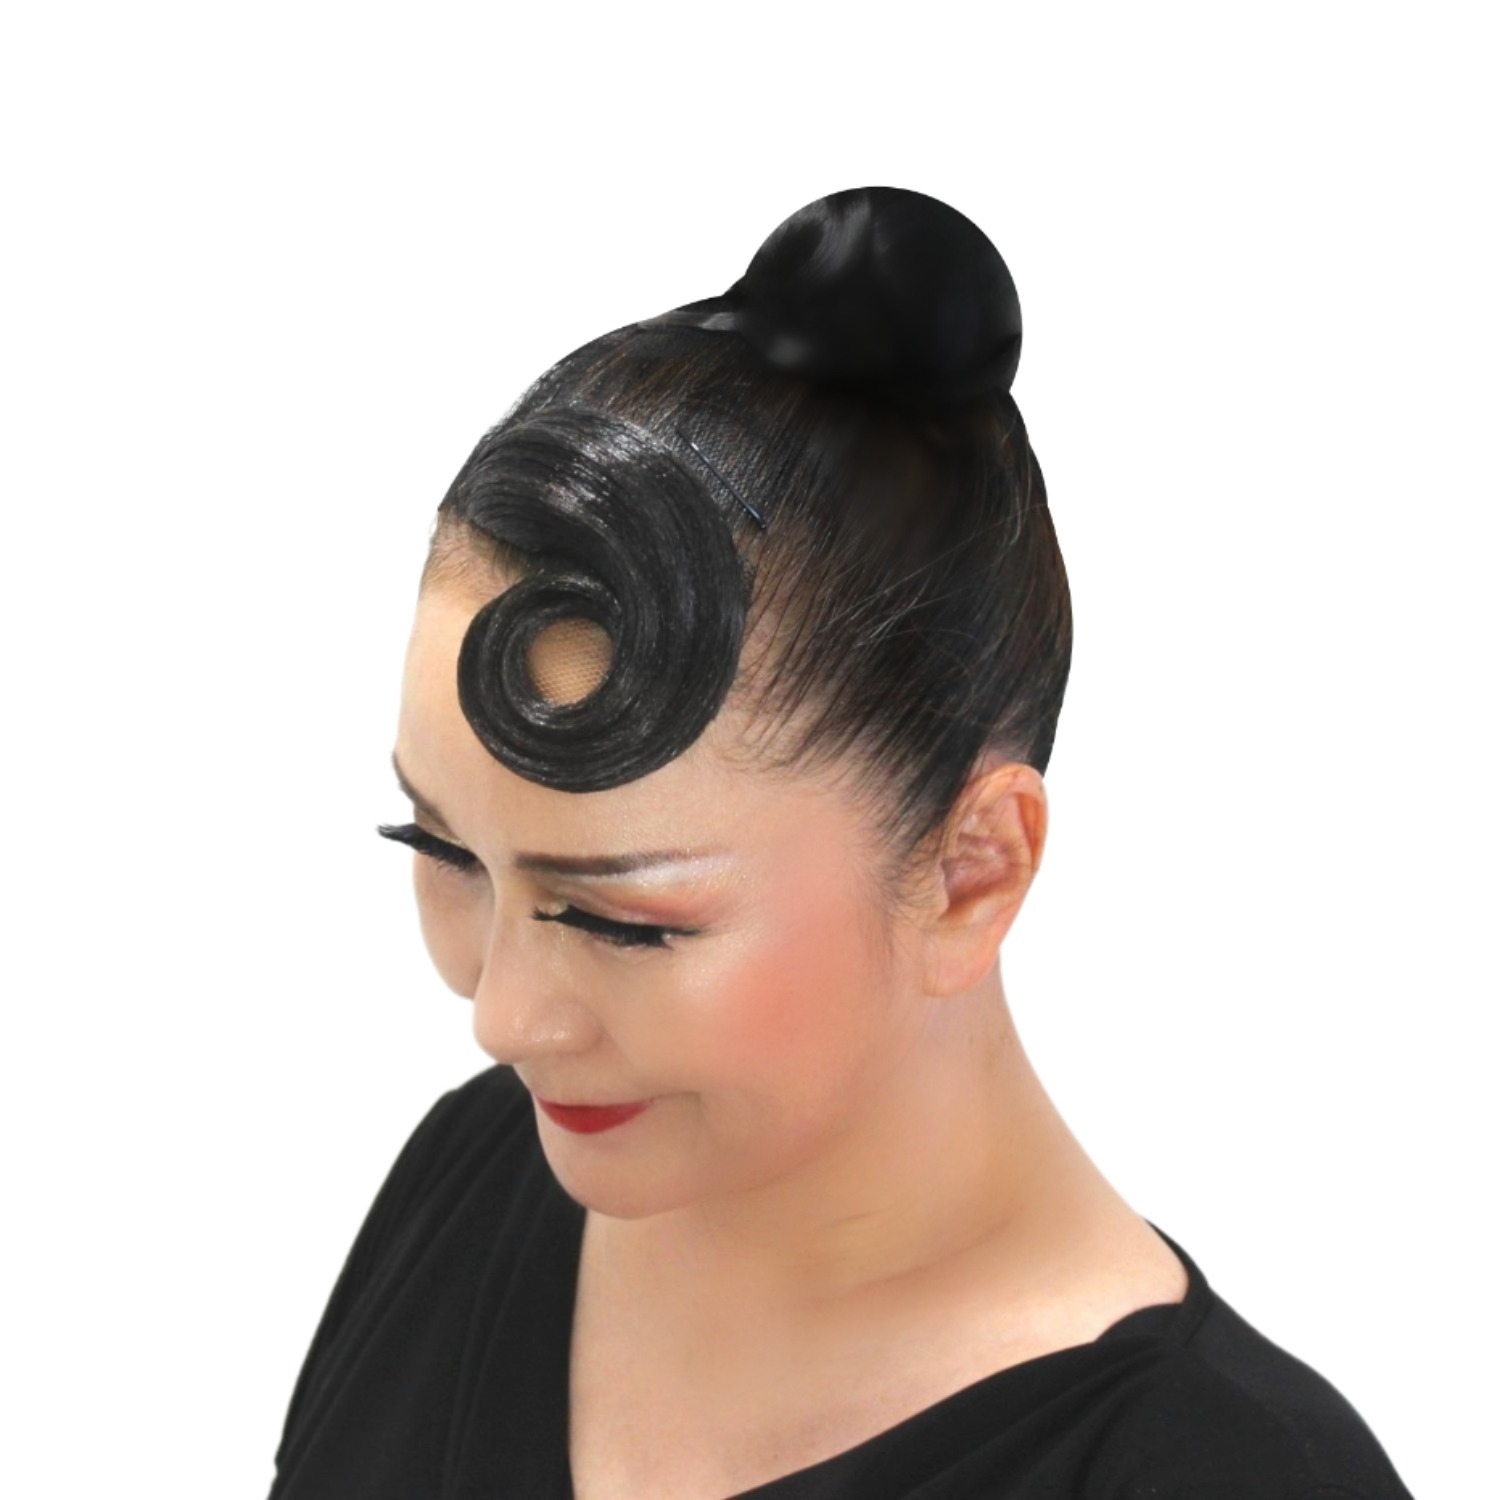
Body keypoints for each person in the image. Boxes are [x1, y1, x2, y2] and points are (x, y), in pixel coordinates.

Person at [266, 187, 1415, 1498]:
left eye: (621, 919)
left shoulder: (1223, 1475)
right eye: (448, 852)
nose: (504, 1018)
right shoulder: (475, 1177)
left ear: (970, 872)